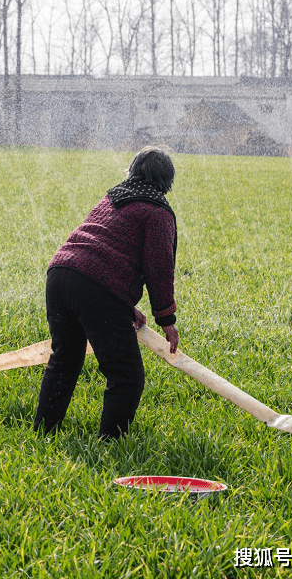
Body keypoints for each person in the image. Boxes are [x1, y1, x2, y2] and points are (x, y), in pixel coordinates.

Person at [33, 147, 180, 439]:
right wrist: (167, 318)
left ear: (133, 171)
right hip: (95, 286)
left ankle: (44, 432)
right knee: (127, 376)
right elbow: (159, 268)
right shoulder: (157, 210)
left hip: (60, 275)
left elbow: (104, 252)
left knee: (64, 360)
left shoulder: (113, 198)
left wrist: (123, 306)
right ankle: (111, 443)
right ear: (166, 181)